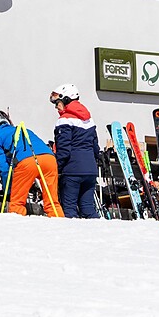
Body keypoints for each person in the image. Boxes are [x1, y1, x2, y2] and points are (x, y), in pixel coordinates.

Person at [0, 113, 60, 217]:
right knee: (52, 202)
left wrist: (8, 191)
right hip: (49, 159)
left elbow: (4, 168)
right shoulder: (23, 130)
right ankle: (59, 222)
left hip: (27, 162)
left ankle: (18, 225)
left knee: (17, 203)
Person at [48, 84, 99, 219]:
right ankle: (99, 230)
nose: (56, 107)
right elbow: (95, 147)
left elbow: (64, 149)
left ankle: (71, 233)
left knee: (69, 209)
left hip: (72, 170)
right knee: (88, 208)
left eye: (57, 103)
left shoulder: (64, 120)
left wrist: (57, 168)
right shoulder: (89, 119)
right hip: (90, 170)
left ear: (66, 100)